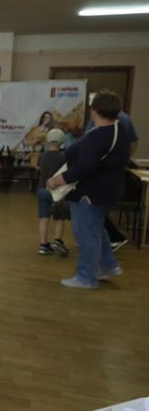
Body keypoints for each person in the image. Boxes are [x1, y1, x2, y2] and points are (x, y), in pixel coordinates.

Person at [46, 90, 130, 289]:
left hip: (90, 192)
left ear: (95, 110)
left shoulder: (99, 136)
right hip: (107, 190)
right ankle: (108, 266)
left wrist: (58, 180)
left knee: (86, 234)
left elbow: (84, 167)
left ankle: (86, 277)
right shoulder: (118, 130)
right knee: (96, 230)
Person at [85, 106, 139, 252]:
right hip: (112, 172)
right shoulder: (125, 119)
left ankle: (113, 237)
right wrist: (125, 157)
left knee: (93, 207)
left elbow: (88, 141)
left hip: (100, 172)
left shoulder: (102, 121)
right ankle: (108, 240)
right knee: (97, 208)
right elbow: (134, 141)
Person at [36, 129, 70, 256]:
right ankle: (57, 240)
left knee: (43, 218)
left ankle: (43, 244)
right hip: (58, 191)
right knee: (60, 217)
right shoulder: (64, 157)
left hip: (42, 189)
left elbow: (39, 168)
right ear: (61, 141)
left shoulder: (42, 156)